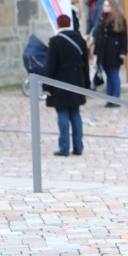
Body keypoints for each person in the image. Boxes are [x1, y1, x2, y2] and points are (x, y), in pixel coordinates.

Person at [43, 15, 90, 156]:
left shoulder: (55, 42)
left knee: (63, 114)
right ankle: (78, 147)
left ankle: (64, 148)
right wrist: (86, 84)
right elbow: (85, 64)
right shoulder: (80, 40)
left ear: (58, 25)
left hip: (60, 83)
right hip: (77, 80)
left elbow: (50, 66)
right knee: (75, 113)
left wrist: (47, 86)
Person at [94, 0, 127, 107]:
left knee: (114, 75)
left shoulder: (120, 19)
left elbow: (124, 37)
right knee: (108, 76)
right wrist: (96, 52)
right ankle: (109, 99)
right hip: (103, 52)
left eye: (108, 6)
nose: (105, 7)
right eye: (104, 6)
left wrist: (123, 51)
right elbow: (98, 37)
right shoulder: (102, 19)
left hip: (114, 52)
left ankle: (116, 99)